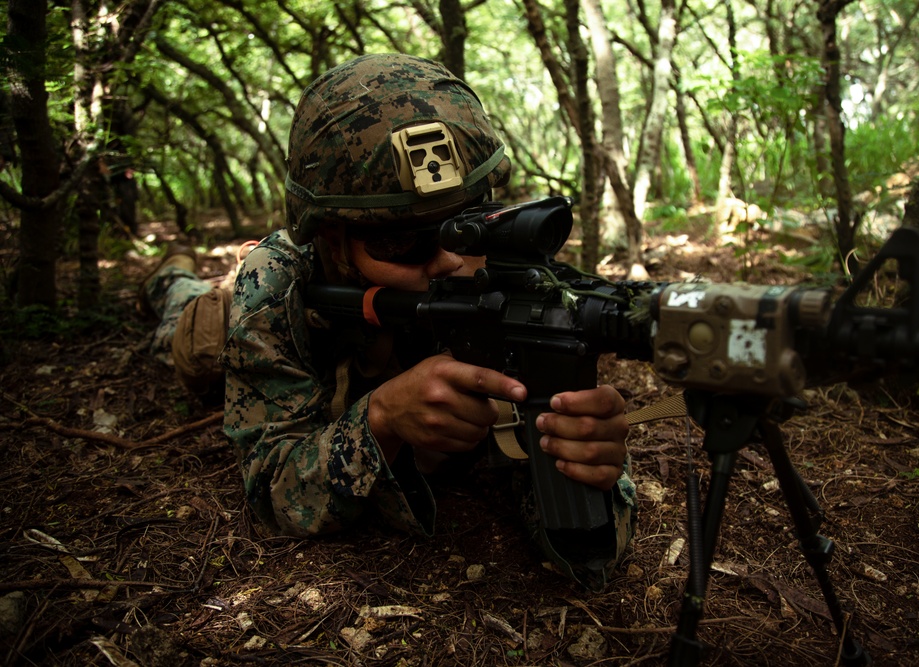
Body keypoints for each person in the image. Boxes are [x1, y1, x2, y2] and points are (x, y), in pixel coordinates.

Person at [143, 53, 635, 590]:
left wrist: (583, 460)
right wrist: (380, 420)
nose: (449, 260)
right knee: (191, 338)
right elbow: (274, 489)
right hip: (229, 317)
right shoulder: (277, 285)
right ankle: (172, 276)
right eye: (402, 240)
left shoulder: (506, 274)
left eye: (464, 225)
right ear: (334, 238)